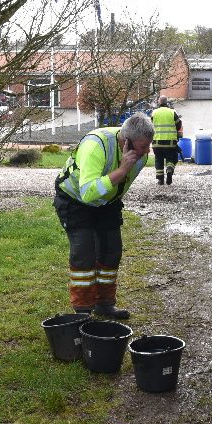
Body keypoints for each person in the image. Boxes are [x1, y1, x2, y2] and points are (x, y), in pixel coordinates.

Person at [53, 113, 154, 319]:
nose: (148, 151)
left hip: (107, 203)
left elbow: (120, 187)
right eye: (143, 146)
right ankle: (82, 310)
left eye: (149, 145)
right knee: (84, 253)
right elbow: (88, 193)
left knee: (111, 251)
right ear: (127, 142)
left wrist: (124, 172)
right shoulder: (95, 146)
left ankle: (104, 304)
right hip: (75, 200)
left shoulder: (139, 157)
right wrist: (123, 169)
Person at [150, 95, 183, 185]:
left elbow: (150, 125)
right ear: (166, 102)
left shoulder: (154, 113)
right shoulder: (172, 112)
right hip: (170, 143)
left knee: (159, 160)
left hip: (157, 143)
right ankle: (169, 169)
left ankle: (160, 180)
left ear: (159, 102)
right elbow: (179, 125)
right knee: (171, 158)